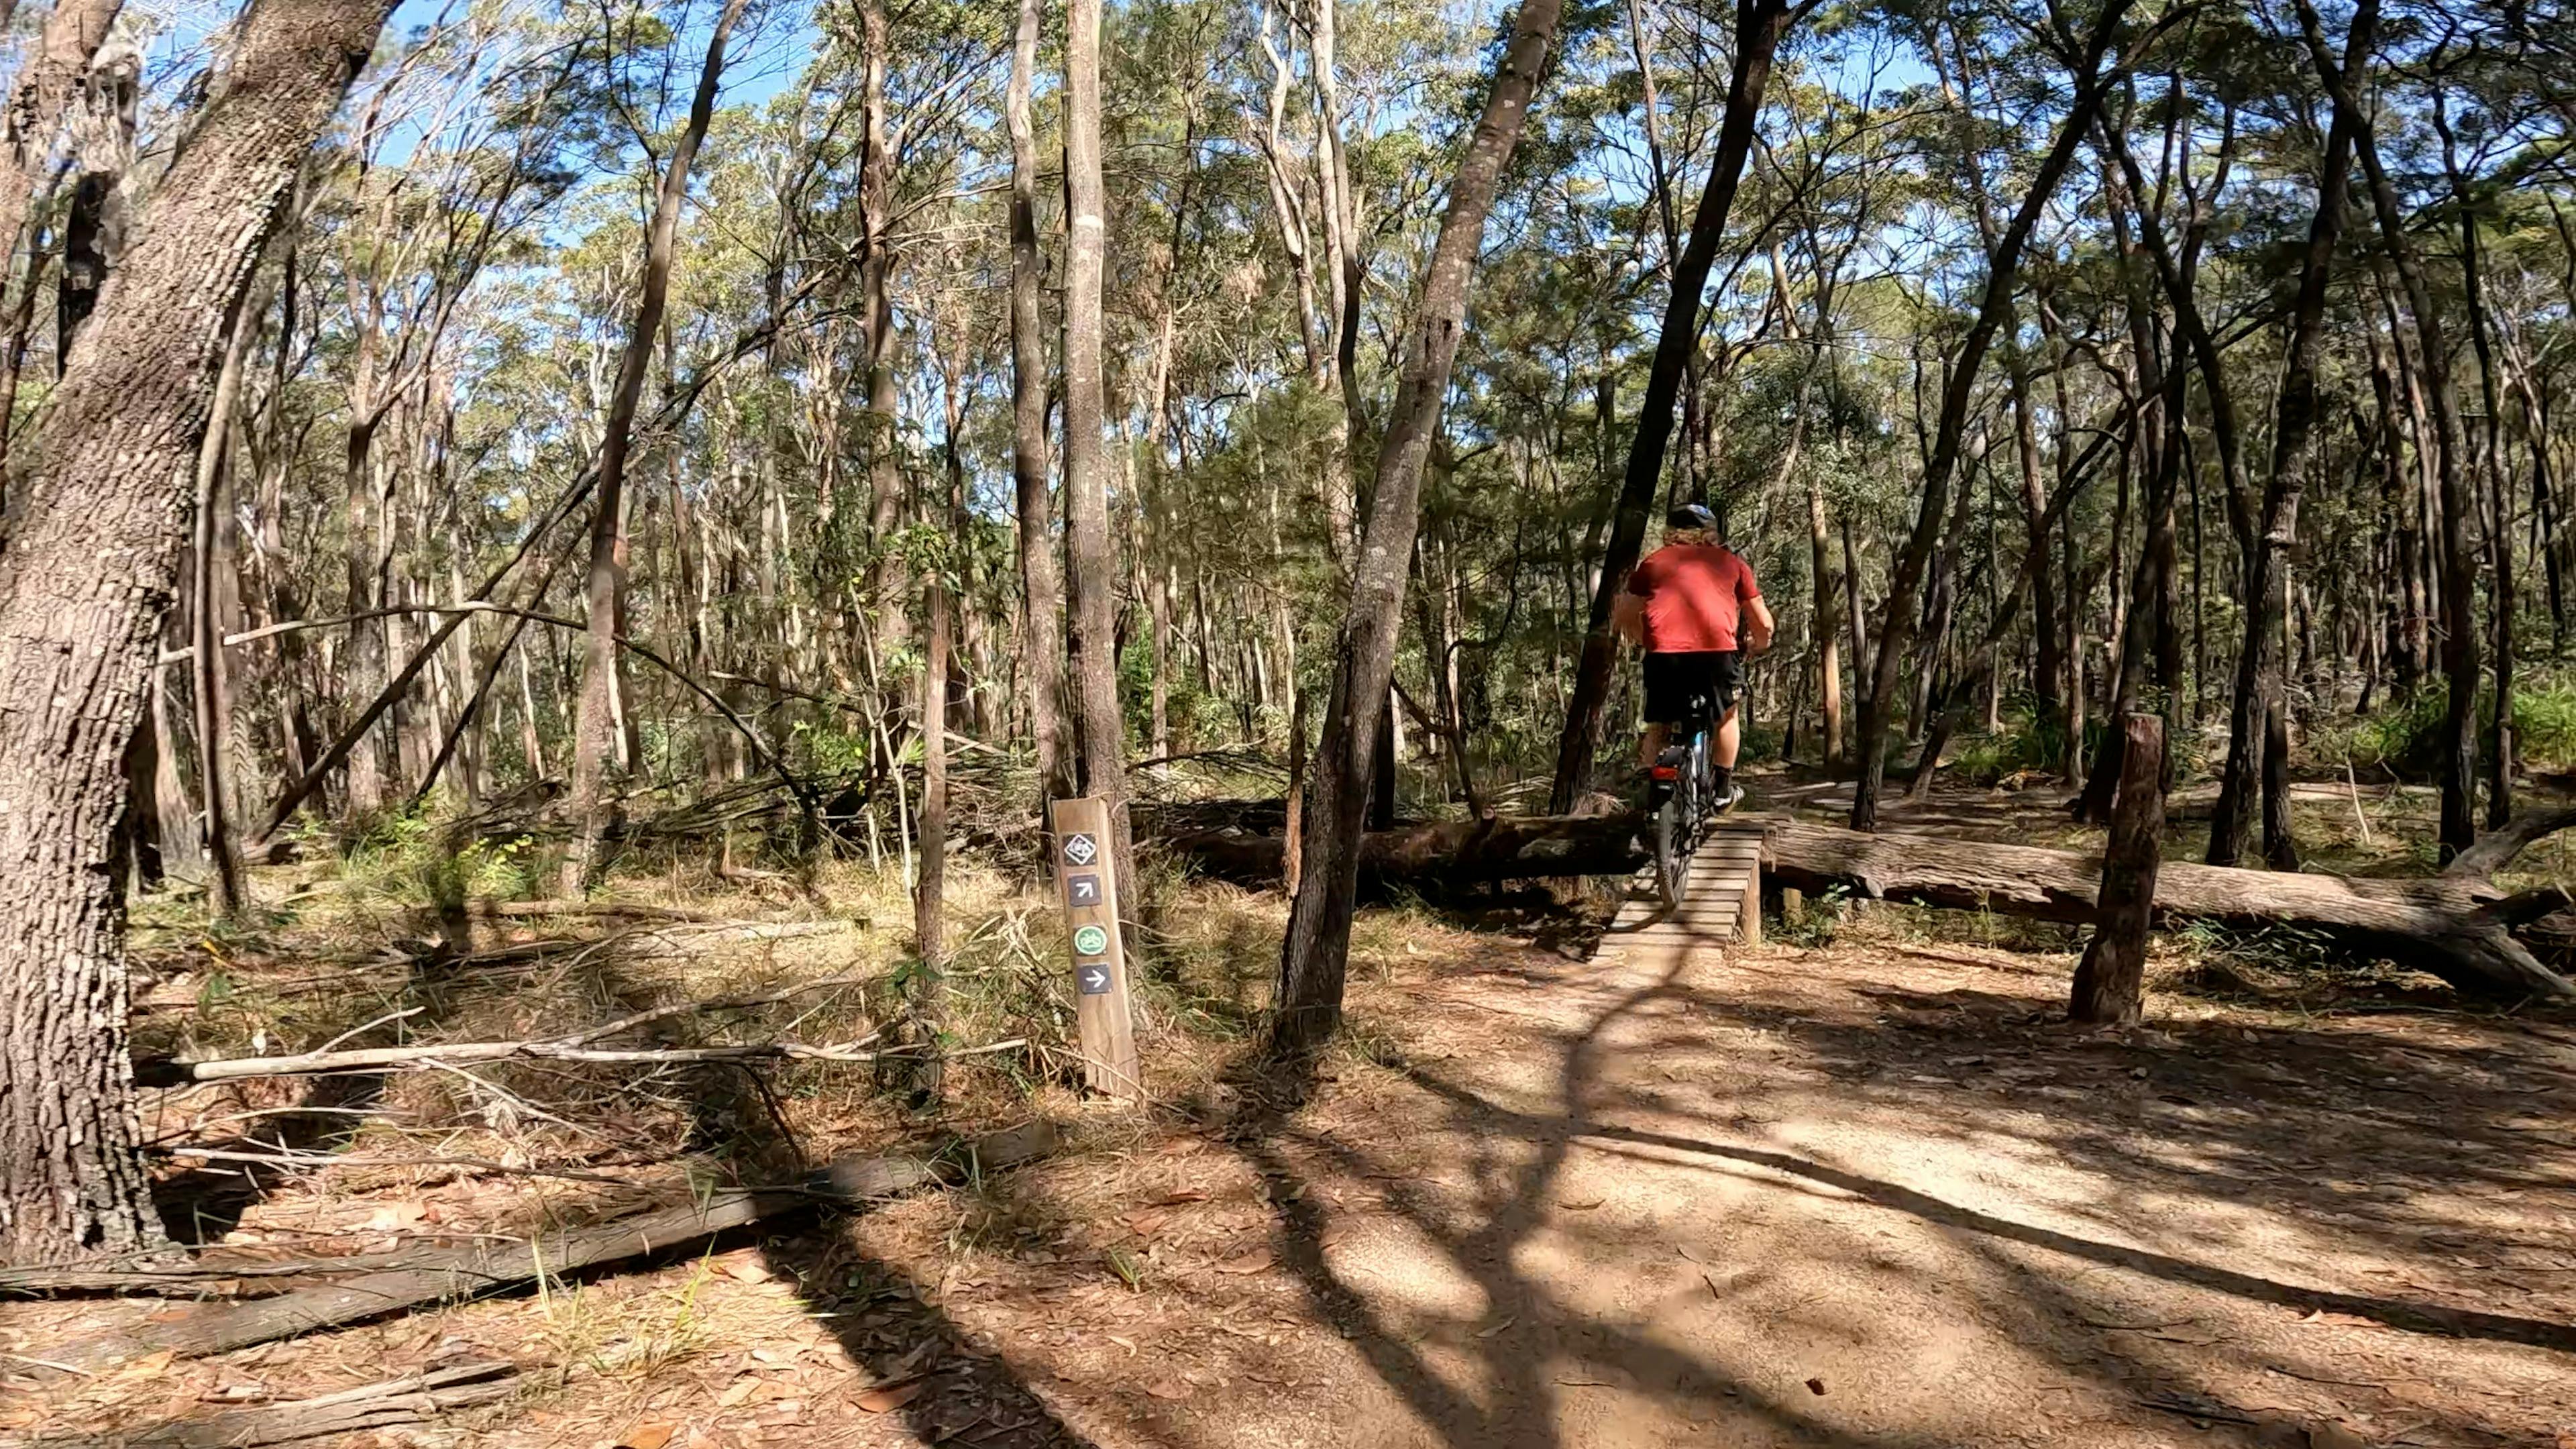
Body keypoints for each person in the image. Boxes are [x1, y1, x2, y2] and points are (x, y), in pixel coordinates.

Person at [1614, 502, 1772, 811]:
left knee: (1661, 719)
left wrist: (1644, 639)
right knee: (1727, 715)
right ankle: (1723, 790)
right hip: (1718, 656)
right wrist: (1759, 644)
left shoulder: (1653, 563)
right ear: (1711, 532)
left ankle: (1650, 776)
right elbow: (1763, 623)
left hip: (1665, 657)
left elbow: (1624, 614)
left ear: (1671, 532)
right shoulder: (1732, 564)